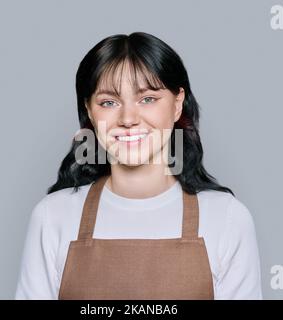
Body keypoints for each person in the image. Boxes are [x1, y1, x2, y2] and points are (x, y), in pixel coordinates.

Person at [15, 32, 262, 299]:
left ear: (177, 104)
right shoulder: (53, 217)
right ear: (89, 110)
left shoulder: (227, 218)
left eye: (148, 99)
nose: (128, 118)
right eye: (109, 102)